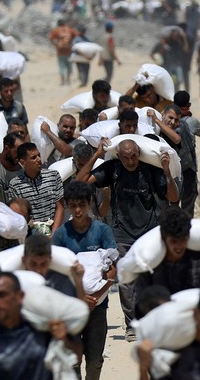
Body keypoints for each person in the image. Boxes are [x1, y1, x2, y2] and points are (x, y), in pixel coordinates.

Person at [77, 138, 180, 337]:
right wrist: (97, 154)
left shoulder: (151, 170)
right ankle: (132, 324)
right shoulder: (113, 169)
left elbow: (174, 198)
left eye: (134, 156)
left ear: (139, 154)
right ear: (119, 156)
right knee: (126, 281)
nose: (130, 161)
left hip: (149, 233)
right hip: (121, 233)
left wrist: (167, 171)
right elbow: (80, 182)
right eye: (125, 158)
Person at [51, 181, 117, 380]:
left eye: (82, 205)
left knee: (95, 360)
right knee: (72, 360)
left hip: (97, 307)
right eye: (73, 206)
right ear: (67, 206)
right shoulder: (61, 235)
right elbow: (56, 273)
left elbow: (112, 270)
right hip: (69, 307)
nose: (78, 210)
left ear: (90, 203)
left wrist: (95, 297)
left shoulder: (102, 231)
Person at [0, 272, 83, 380]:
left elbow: (76, 357)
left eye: (2, 295)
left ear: (19, 296)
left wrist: (63, 339)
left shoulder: (42, 329)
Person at [134, 206, 200, 295]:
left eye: (183, 240)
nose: (179, 246)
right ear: (164, 239)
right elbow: (141, 302)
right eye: (174, 241)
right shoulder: (152, 264)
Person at [7, 143, 64, 235]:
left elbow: (60, 207)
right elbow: (17, 215)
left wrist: (53, 234)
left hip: (55, 231)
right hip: (30, 234)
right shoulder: (15, 185)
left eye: (39, 155)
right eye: (33, 158)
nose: (39, 159)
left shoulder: (53, 176)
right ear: (23, 162)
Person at [49, 19, 78, 86]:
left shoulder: (56, 30)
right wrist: (72, 43)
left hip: (60, 51)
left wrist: (55, 44)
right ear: (64, 23)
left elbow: (51, 38)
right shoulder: (69, 29)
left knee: (61, 66)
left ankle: (62, 81)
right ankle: (68, 80)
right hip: (69, 51)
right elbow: (76, 35)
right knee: (69, 66)